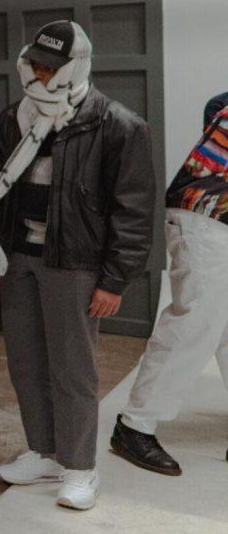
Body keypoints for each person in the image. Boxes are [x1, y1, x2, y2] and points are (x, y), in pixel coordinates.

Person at [0, 20, 154, 511]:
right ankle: (45, 452)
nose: (40, 77)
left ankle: (80, 468)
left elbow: (132, 212)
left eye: (50, 69)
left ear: (75, 67)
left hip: (74, 263)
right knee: (26, 361)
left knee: (73, 368)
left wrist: (114, 281)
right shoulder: (12, 120)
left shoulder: (117, 125)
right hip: (20, 256)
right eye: (35, 65)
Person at [112, 91, 228, 475]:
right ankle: (135, 425)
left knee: (222, 328)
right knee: (193, 325)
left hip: (213, 220)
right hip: (207, 221)